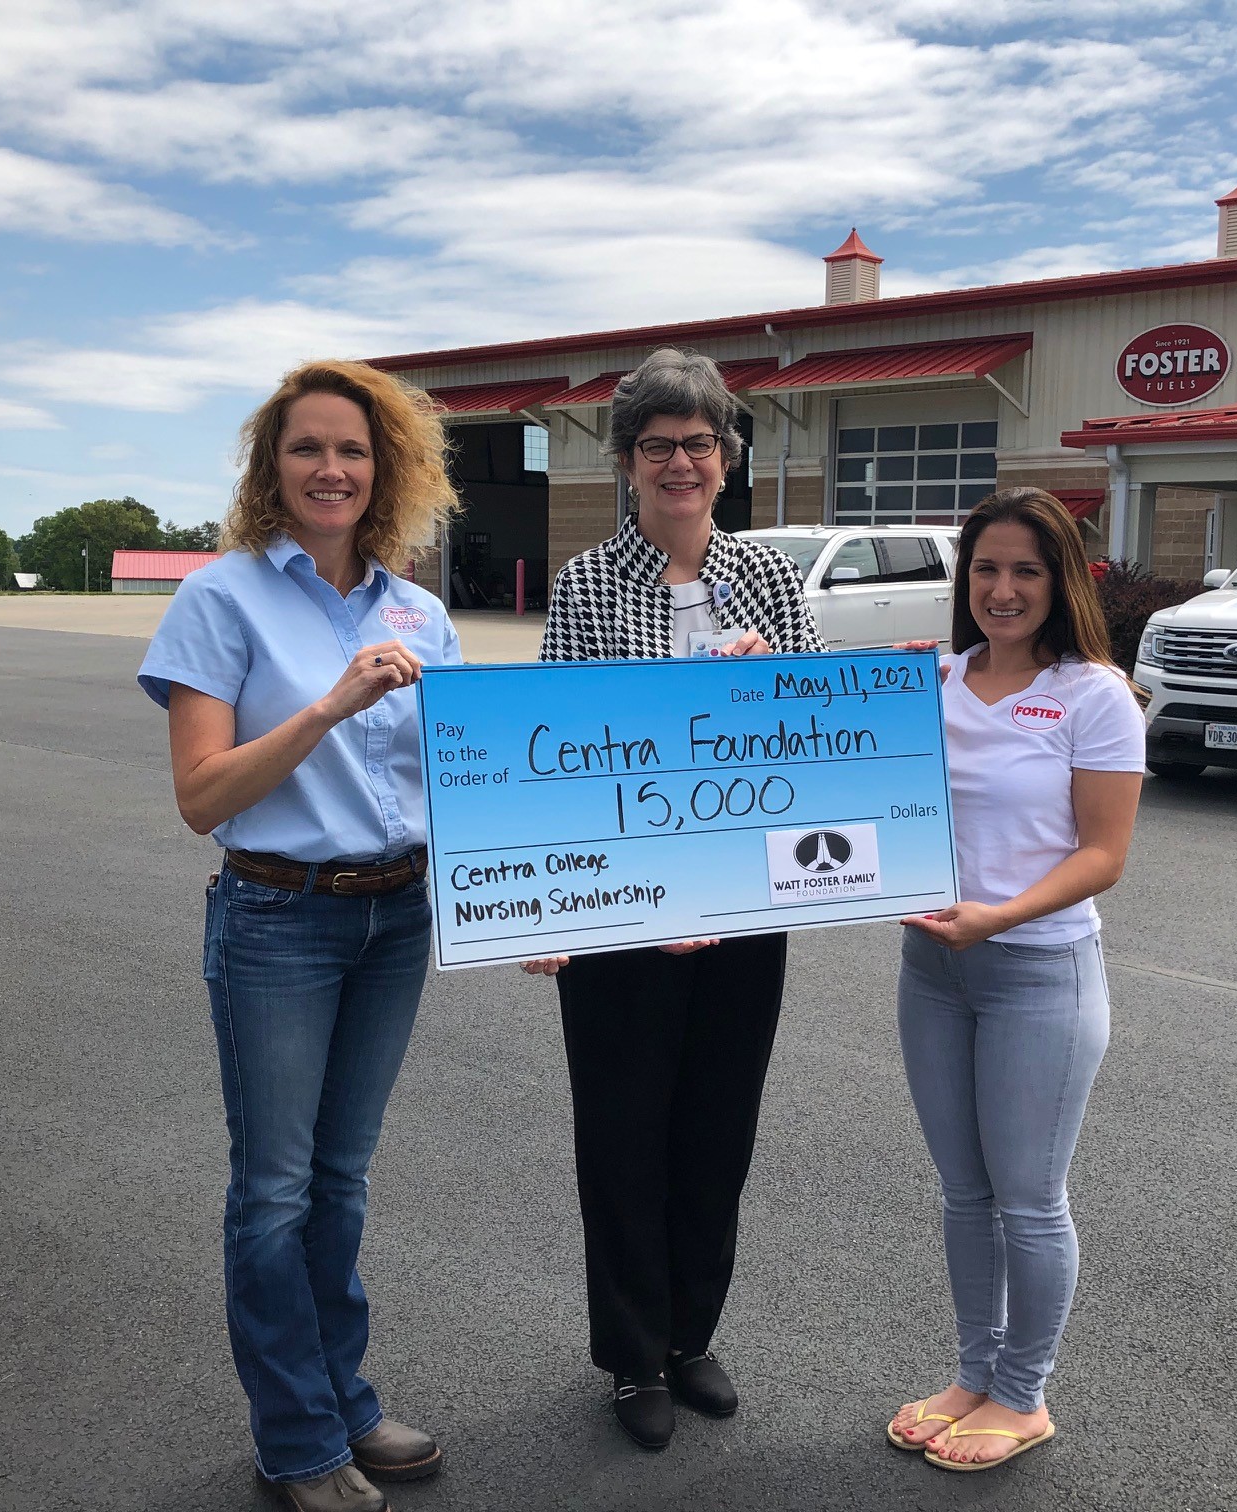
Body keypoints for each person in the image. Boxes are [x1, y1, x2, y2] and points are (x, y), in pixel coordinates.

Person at [137, 359, 459, 1512]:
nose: (332, 468)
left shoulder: (420, 612)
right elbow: (202, 796)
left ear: (387, 472)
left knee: (342, 1179)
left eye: (354, 450)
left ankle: (344, 1396)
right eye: (308, 447)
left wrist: (552, 897)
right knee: (273, 1188)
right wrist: (330, 704)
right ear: (272, 468)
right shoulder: (220, 599)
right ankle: (296, 1436)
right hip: (278, 915)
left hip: (397, 915)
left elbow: (468, 784)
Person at [522, 347, 824, 1449]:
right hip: (623, 911)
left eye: (701, 442)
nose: (682, 461)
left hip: (743, 909)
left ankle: (693, 1336)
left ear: (729, 458)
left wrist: (765, 686)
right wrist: (547, 908)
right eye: (659, 445)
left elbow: (814, 748)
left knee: (716, 1132)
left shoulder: (774, 583)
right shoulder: (586, 584)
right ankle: (630, 1356)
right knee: (621, 1135)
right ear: (629, 463)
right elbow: (545, 760)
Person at [884, 487, 1144, 1473]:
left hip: (1040, 972)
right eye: (985, 569)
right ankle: (974, 1374)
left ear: (1061, 581)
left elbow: (1103, 853)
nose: (1001, 589)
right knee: (963, 1192)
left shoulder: (1094, 695)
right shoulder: (935, 680)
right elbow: (824, 742)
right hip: (932, 969)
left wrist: (998, 915)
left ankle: (1024, 1395)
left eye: (1025, 571)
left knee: (1029, 1198)